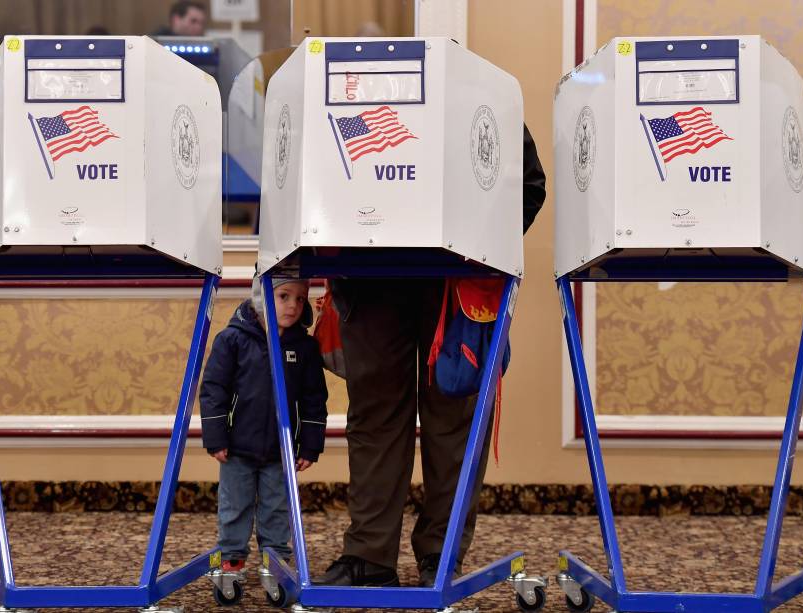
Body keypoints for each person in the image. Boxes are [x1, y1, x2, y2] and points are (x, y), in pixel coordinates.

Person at [315, 126, 547, 587]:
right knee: (376, 416)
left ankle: (440, 558)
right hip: (369, 276)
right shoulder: (346, 101)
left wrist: (480, 247)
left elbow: (528, 185)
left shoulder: (475, 93)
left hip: (453, 280)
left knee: (455, 417)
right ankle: (369, 556)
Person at [200, 278, 328, 572]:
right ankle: (230, 560)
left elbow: (314, 399)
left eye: (300, 298)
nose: (293, 306)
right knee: (235, 507)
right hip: (236, 448)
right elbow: (213, 389)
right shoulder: (233, 340)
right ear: (261, 297)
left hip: (281, 450)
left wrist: (310, 444)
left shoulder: (305, 347)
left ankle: (276, 562)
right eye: (284, 296)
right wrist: (216, 437)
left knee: (276, 509)